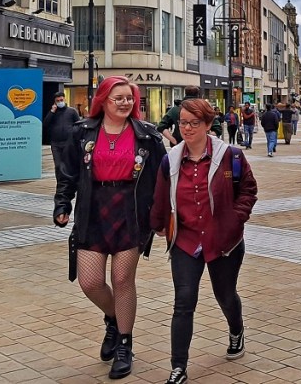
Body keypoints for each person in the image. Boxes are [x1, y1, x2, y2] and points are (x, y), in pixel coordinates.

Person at [53, 76, 166, 380]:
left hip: (131, 212)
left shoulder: (148, 136)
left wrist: (162, 217)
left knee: (122, 278)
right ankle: (114, 320)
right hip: (93, 210)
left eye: (129, 97)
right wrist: (62, 204)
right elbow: (68, 174)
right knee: (89, 282)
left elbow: (161, 180)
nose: (125, 103)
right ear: (103, 100)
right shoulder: (82, 132)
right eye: (118, 98)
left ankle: (125, 345)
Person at [150, 99, 258, 384]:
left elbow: (248, 189)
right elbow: (161, 196)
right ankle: (178, 367)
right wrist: (158, 225)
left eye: (193, 123)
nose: (186, 128)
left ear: (208, 125)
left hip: (223, 241)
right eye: (182, 122)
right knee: (183, 302)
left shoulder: (230, 156)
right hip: (185, 240)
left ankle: (236, 329)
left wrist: (236, 219)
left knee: (225, 295)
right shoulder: (170, 159)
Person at [45, 92, 81, 183]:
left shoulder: (71, 111)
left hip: (68, 142)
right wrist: (52, 112)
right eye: (57, 101)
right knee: (58, 165)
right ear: (54, 102)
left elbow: (78, 125)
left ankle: (69, 183)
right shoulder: (53, 113)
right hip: (56, 143)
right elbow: (45, 124)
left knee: (68, 164)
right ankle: (60, 183)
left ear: (64, 99)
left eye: (61, 100)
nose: (60, 102)